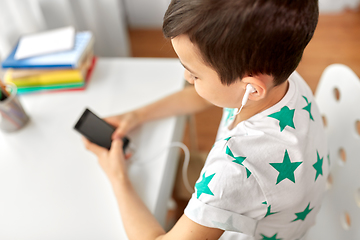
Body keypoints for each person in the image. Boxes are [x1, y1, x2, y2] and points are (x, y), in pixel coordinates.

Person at [82, 0, 329, 239]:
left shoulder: (234, 171)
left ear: (251, 89)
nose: (187, 78)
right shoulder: (280, 75)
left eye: (195, 74)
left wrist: (118, 176)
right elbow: (204, 97)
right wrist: (137, 115)